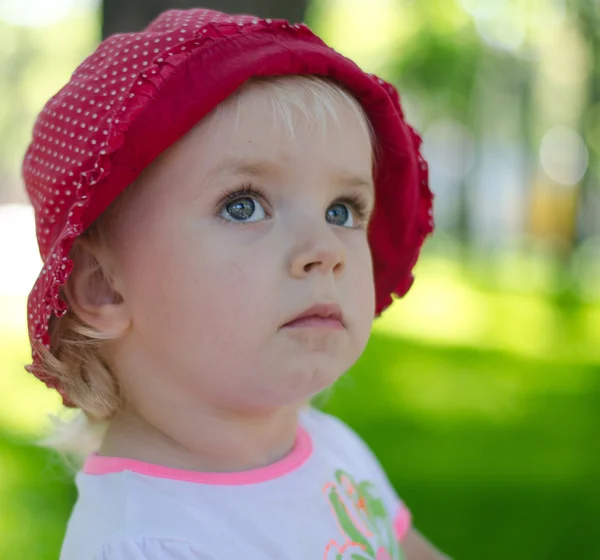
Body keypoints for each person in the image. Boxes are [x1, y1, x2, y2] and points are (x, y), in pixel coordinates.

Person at [21, 8, 446, 560]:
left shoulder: (331, 450)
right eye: (244, 205)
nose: (326, 250)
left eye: (343, 210)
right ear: (104, 286)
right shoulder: (149, 542)